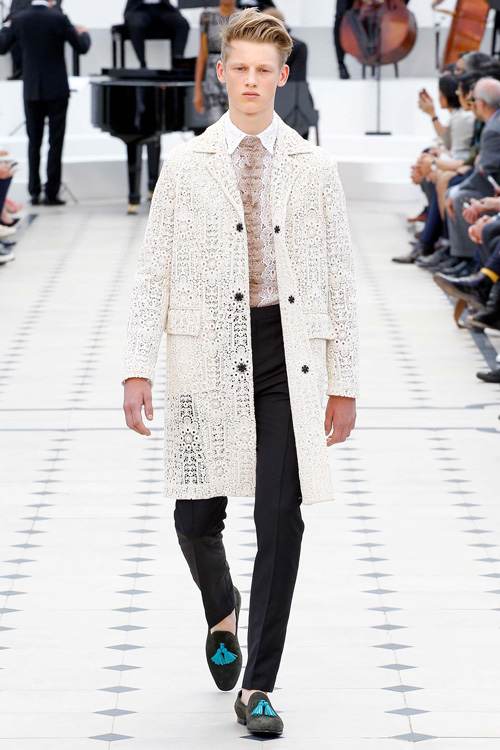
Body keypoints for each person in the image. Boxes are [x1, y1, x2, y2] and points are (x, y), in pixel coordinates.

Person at [121, 7, 359, 737]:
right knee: (196, 518)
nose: (252, 82)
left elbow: (339, 277)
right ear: (221, 73)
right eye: (241, 69)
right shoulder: (185, 166)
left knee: (280, 518)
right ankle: (221, 607)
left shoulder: (315, 168)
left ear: (283, 77)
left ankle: (258, 685)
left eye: (265, 70)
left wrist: (344, 381)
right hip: (205, 354)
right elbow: (154, 270)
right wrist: (138, 368)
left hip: (288, 354)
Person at [0, 0, 91, 206]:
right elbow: (81, 47)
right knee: (55, 142)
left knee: (34, 141)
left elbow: (2, 47)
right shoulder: (59, 19)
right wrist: (84, 33)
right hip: (57, 89)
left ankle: (34, 191)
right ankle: (51, 192)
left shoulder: (20, 19)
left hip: (32, 88)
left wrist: (5, 26)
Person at [194, 0, 237, 124]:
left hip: (235, 72)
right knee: (215, 124)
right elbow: (202, 53)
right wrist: (197, 89)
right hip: (212, 76)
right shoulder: (207, 16)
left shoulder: (242, 17)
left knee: (237, 123)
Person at [4, 0, 63, 79]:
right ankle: (20, 69)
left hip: (43, 21)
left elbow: (55, 7)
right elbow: (14, 11)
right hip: (24, 22)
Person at [123, 0, 189, 69]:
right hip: (140, 7)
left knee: (182, 24)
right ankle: (142, 63)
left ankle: (178, 61)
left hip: (162, 7)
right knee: (136, 24)